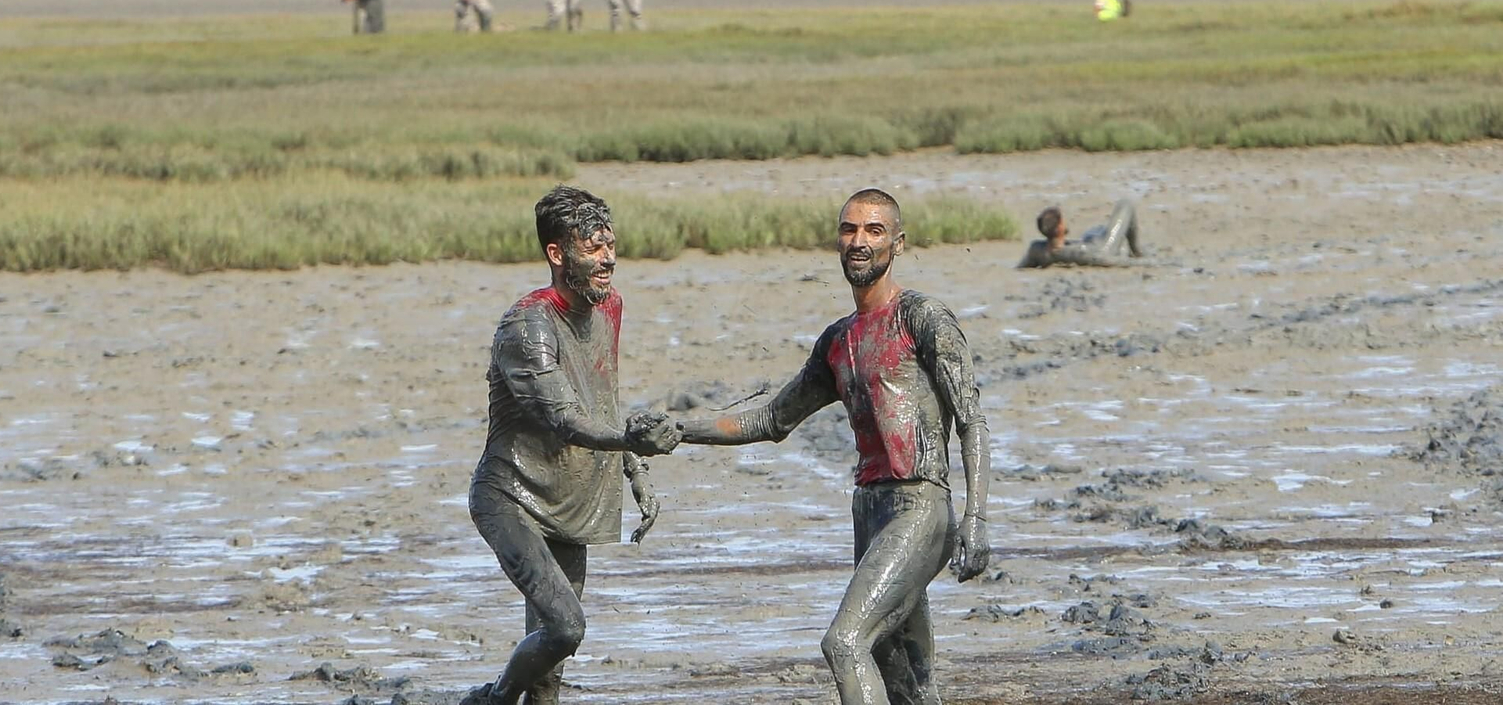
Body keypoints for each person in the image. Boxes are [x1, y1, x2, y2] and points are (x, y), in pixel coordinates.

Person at [678, 188, 991, 705]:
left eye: (873, 230)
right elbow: (772, 419)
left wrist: (976, 517)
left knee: (845, 643)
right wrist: (678, 432)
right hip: (868, 514)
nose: (859, 241)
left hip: (920, 507)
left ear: (898, 243)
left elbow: (972, 419)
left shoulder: (924, 318)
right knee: (906, 680)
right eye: (849, 230)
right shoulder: (837, 340)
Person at [462, 186, 681, 705]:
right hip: (510, 497)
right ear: (557, 255)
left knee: (552, 670)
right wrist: (634, 440)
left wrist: (636, 473)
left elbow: (601, 398)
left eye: (610, 245)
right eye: (592, 248)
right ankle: (492, 699)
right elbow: (563, 417)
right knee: (565, 627)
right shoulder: (527, 325)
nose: (607, 259)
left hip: (571, 500)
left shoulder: (609, 309)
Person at [1016, 199, 1144, 269]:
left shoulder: (1036, 249)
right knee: (1126, 205)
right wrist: (1149, 263)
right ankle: (1137, 251)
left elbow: (1021, 267)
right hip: (1104, 248)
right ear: (1060, 227)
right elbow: (1111, 261)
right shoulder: (1079, 253)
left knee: (1095, 230)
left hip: (1089, 242)